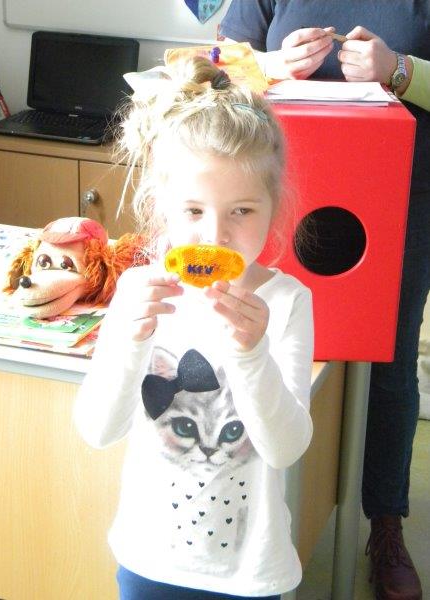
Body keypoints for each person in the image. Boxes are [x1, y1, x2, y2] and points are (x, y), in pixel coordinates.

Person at [74, 55, 314, 600]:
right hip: (148, 560)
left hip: (250, 571)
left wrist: (252, 354)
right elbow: (98, 430)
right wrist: (130, 340)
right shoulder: (140, 293)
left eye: (242, 211)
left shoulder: (286, 302)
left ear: (274, 207)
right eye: (193, 211)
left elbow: (285, 449)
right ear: (161, 207)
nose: (216, 235)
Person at [220, 3, 430, 600]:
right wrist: (269, 65)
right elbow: (215, 65)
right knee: (270, 345)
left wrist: (399, 71)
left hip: (397, 198)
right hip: (281, 194)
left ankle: (385, 523)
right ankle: (249, 507)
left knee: (387, 362)